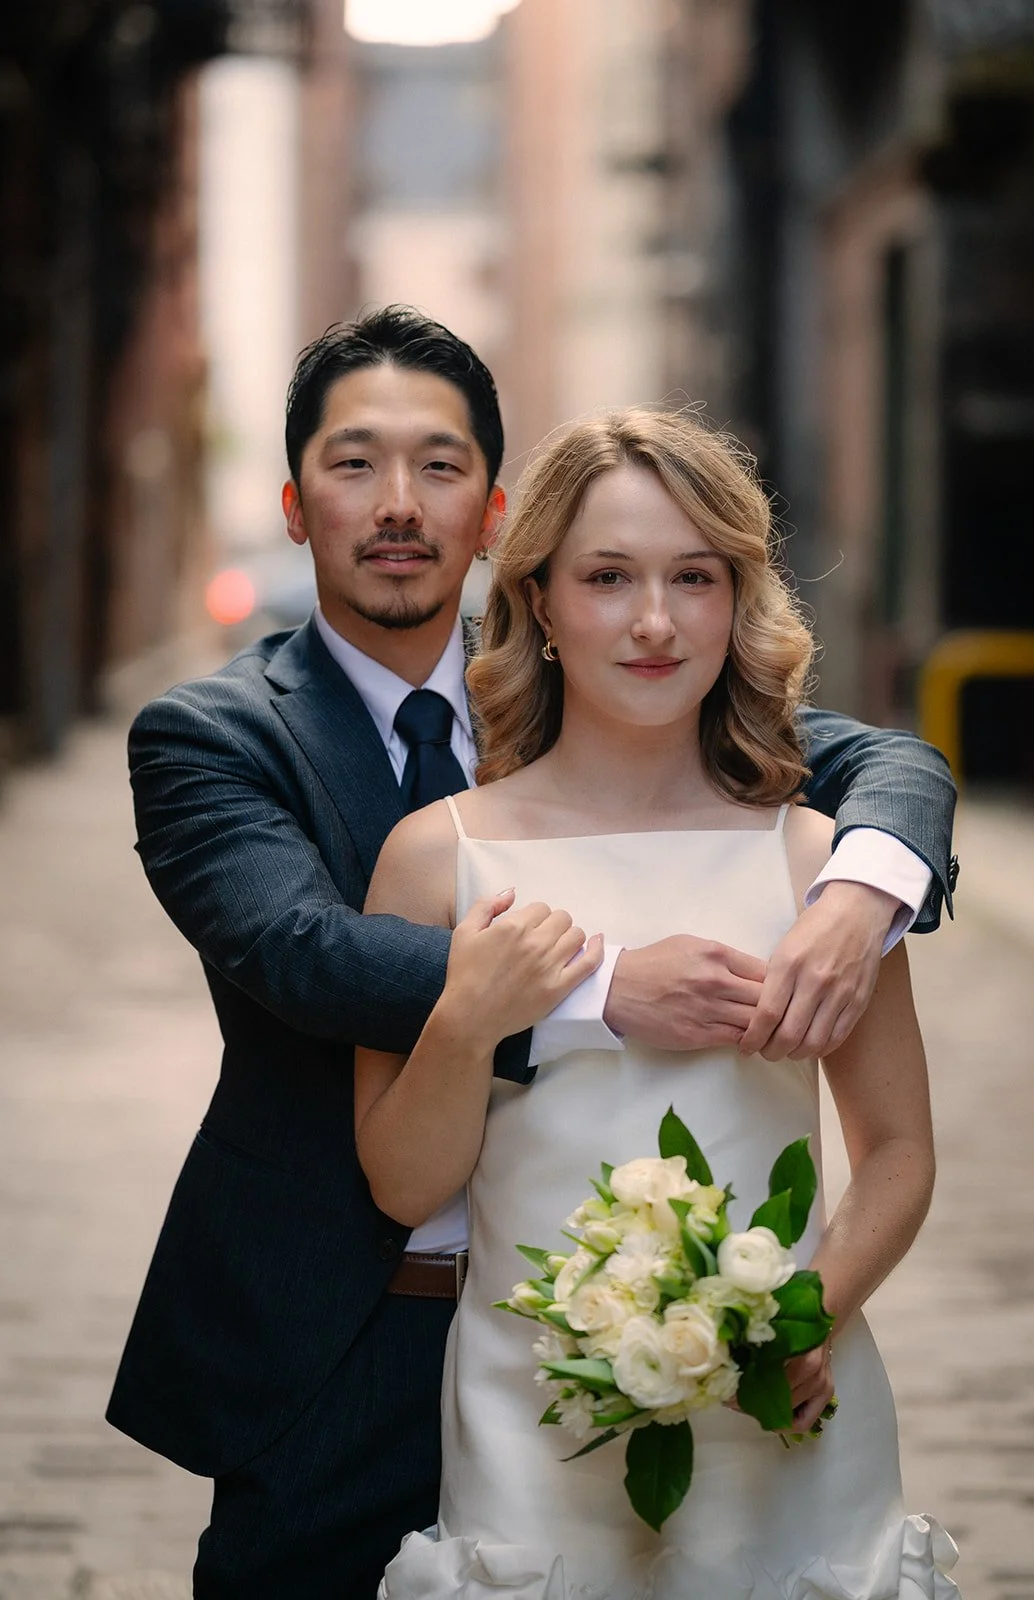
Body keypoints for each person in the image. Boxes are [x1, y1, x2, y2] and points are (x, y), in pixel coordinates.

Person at [106, 307, 956, 1600]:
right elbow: (298, 953)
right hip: (375, 1344)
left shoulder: (790, 826)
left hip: (765, 1403)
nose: (653, 620)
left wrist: (859, 892)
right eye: (354, 464)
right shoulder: (229, 746)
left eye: (440, 466)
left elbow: (883, 775)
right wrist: (587, 988)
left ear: (495, 516)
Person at [357, 409, 961, 1599]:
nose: (652, 619)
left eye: (693, 576)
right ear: (537, 599)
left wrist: (807, 1314)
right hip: (529, 1410)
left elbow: (895, 1151)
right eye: (607, 577)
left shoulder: (816, 865)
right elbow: (403, 1182)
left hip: (783, 1406)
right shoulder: (434, 858)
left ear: (737, 603)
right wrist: (473, 1014)